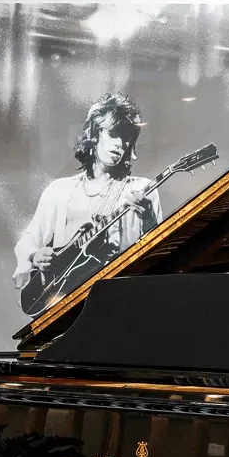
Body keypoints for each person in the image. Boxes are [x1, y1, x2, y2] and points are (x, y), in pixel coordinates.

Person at [13, 92, 160, 315]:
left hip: (122, 304)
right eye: (113, 134)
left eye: (127, 137)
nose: (120, 143)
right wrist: (35, 255)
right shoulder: (59, 190)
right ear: (95, 132)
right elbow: (30, 238)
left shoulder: (141, 189)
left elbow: (159, 256)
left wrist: (148, 219)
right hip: (65, 303)